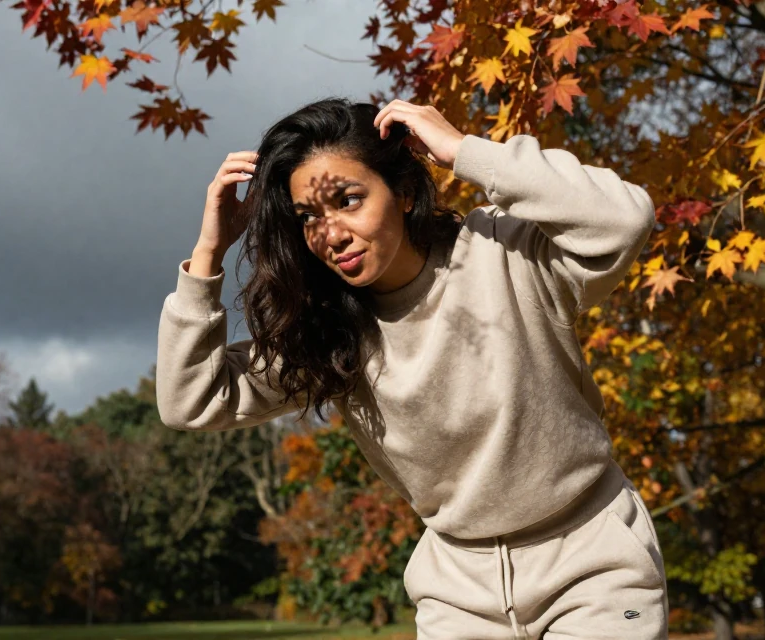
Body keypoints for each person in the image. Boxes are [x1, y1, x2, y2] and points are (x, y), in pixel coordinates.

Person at [155, 97, 664, 639]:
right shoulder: (327, 333)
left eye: (349, 200)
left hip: (592, 564)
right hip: (458, 595)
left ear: (404, 191)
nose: (331, 234)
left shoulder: (505, 251)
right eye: (308, 217)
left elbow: (624, 220)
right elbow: (190, 401)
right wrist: (208, 252)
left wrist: (464, 151)